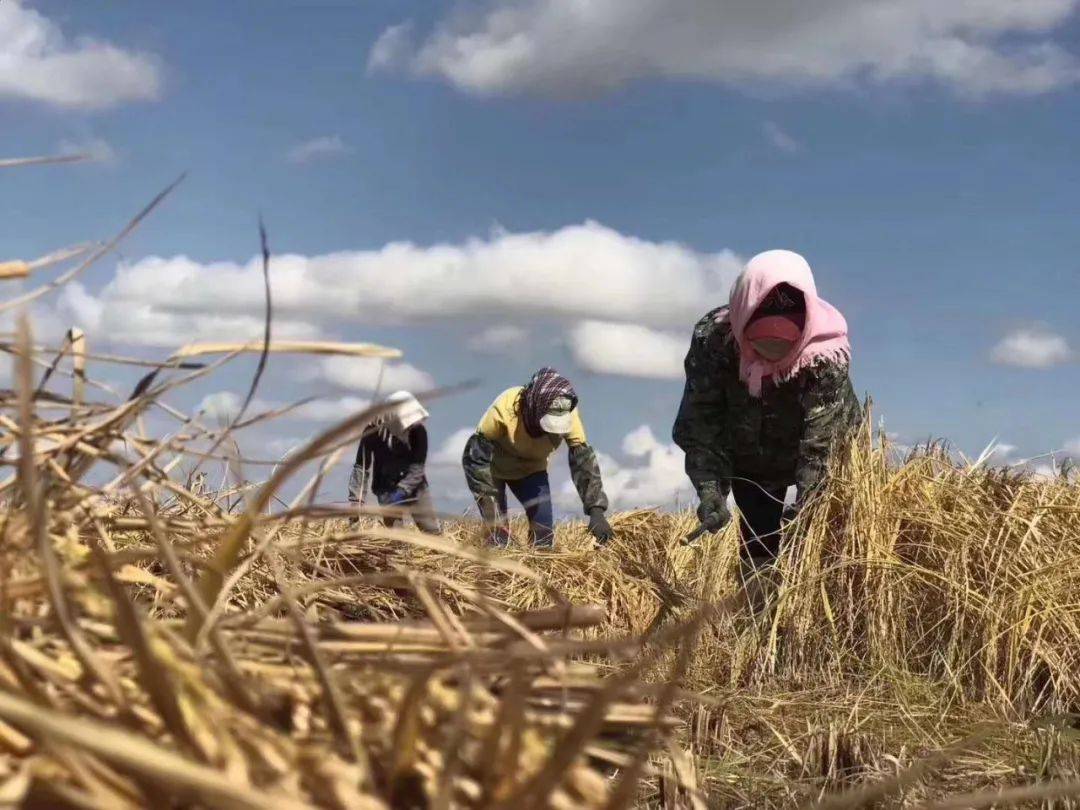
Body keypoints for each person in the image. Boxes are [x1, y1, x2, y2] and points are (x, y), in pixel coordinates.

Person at [673, 249, 861, 571]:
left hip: (811, 449)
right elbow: (702, 420)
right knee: (759, 553)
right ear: (742, 319)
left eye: (786, 341)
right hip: (751, 458)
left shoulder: (825, 356)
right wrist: (710, 491)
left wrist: (809, 508)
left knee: (818, 553)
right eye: (762, 340)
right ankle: (758, 610)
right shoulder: (714, 341)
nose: (773, 354)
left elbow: (821, 448)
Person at [462, 367, 614, 549]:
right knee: (498, 540)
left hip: (532, 471)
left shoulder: (568, 412)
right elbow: (475, 459)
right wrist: (491, 511)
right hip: (493, 471)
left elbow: (583, 461)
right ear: (535, 407)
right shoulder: (504, 410)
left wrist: (596, 510)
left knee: (543, 538)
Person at [348, 390, 440, 534]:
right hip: (386, 489)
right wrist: (356, 501)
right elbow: (361, 467)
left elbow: (417, 468)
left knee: (432, 532)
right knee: (397, 539)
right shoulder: (371, 433)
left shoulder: (419, 432)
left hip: (416, 487)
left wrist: (401, 492)